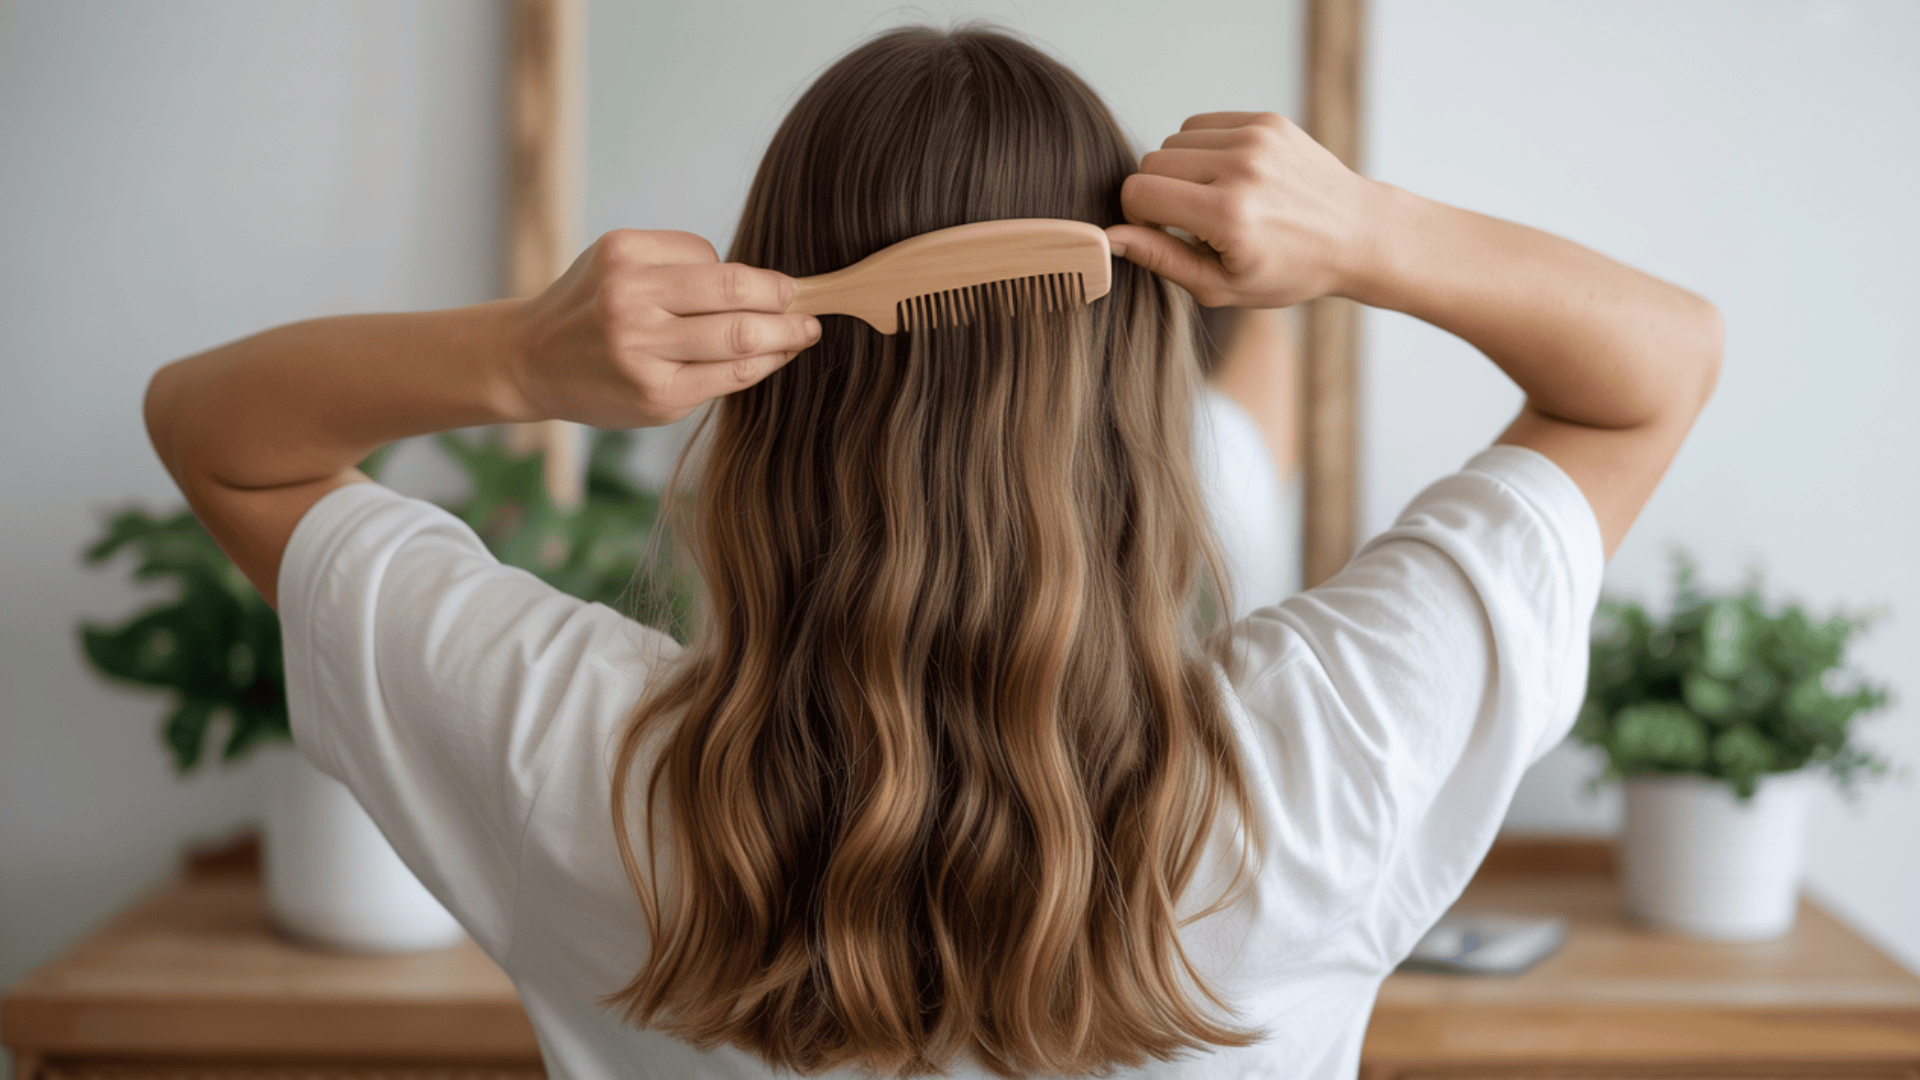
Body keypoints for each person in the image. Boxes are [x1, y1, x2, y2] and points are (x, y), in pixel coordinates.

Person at [144, 25, 1720, 1080]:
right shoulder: (1324, 755)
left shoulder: (579, 756)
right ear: (1137, 405)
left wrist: (520, 356)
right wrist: (1370, 237)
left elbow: (216, 432)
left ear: (774, 393)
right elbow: (1657, 368)